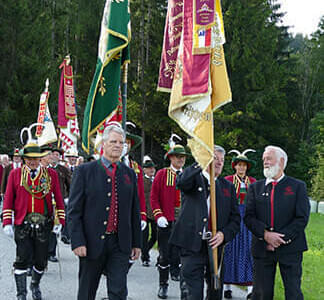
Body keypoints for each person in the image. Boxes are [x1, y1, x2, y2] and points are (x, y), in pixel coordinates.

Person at [67, 124, 141, 300]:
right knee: (87, 291)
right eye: (113, 141)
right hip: (91, 243)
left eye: (121, 143)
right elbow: (74, 211)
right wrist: (77, 241)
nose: (117, 145)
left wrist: (137, 243)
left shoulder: (129, 174)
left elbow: (134, 211)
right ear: (103, 144)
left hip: (119, 244)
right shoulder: (84, 171)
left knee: (118, 291)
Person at [169, 145, 240, 300]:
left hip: (215, 247)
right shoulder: (193, 179)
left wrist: (223, 234)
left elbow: (235, 219)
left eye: (222, 160)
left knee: (215, 291)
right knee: (193, 293)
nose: (219, 163)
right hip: (191, 244)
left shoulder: (227, 187)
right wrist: (201, 161)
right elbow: (181, 182)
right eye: (215, 158)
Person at [2, 127, 65, 300]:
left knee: (40, 261)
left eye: (36, 159)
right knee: (22, 259)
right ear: (24, 159)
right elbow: (8, 199)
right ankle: (21, 294)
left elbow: (59, 199)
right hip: (23, 223)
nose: (33, 162)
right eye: (29, 159)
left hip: (44, 224)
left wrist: (60, 222)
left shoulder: (50, 175)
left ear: (41, 158)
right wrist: (7, 222)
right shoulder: (15, 174)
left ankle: (35, 285)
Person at [244, 145, 310, 300]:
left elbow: (302, 218)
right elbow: (248, 216)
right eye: (264, 159)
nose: (265, 162)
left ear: (281, 161)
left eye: (269, 158)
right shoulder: (255, 187)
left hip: (291, 248)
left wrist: (279, 238)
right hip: (262, 248)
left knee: (293, 292)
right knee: (261, 293)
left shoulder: (297, 186)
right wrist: (266, 235)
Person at [150, 143, 190, 299]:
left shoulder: (188, 174)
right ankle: (163, 285)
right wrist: (158, 215)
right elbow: (153, 197)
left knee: (183, 256)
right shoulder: (162, 174)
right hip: (166, 220)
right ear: (171, 158)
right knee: (164, 255)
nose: (181, 159)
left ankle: (184, 287)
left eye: (183, 157)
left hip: (184, 222)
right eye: (178, 156)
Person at [223, 149, 257, 299]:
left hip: (248, 221)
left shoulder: (254, 182)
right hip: (232, 219)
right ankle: (227, 286)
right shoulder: (228, 180)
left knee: (248, 252)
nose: (242, 168)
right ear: (235, 166)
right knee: (229, 251)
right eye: (239, 165)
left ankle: (250, 289)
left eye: (244, 165)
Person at [141, 155, 158, 267]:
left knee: (156, 235)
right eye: (149, 168)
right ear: (144, 170)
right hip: (144, 212)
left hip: (155, 212)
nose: (152, 170)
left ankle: (145, 250)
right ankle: (145, 257)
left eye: (153, 168)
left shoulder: (157, 180)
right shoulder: (141, 180)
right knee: (144, 235)